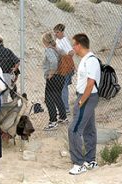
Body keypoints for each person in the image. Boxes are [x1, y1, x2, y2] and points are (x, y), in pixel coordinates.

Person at [68, 33, 101, 175]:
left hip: (87, 97)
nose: (72, 47)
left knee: (74, 129)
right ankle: (90, 161)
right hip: (86, 97)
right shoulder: (85, 59)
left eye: (73, 44)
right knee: (89, 129)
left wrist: (81, 101)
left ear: (79, 45)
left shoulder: (91, 60)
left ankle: (79, 163)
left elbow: (90, 83)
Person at [41, 32, 68, 131]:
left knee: (49, 99)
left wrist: (51, 73)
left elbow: (53, 61)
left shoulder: (48, 50)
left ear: (44, 41)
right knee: (57, 97)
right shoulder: (57, 49)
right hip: (61, 76)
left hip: (54, 77)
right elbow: (65, 55)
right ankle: (63, 117)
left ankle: (53, 122)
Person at [53, 24, 75, 115]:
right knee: (61, 87)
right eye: (55, 32)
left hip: (65, 67)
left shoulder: (64, 40)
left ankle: (65, 108)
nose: (55, 34)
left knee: (63, 88)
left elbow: (71, 52)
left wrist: (63, 56)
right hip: (61, 67)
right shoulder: (58, 40)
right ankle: (63, 107)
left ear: (62, 32)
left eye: (57, 32)